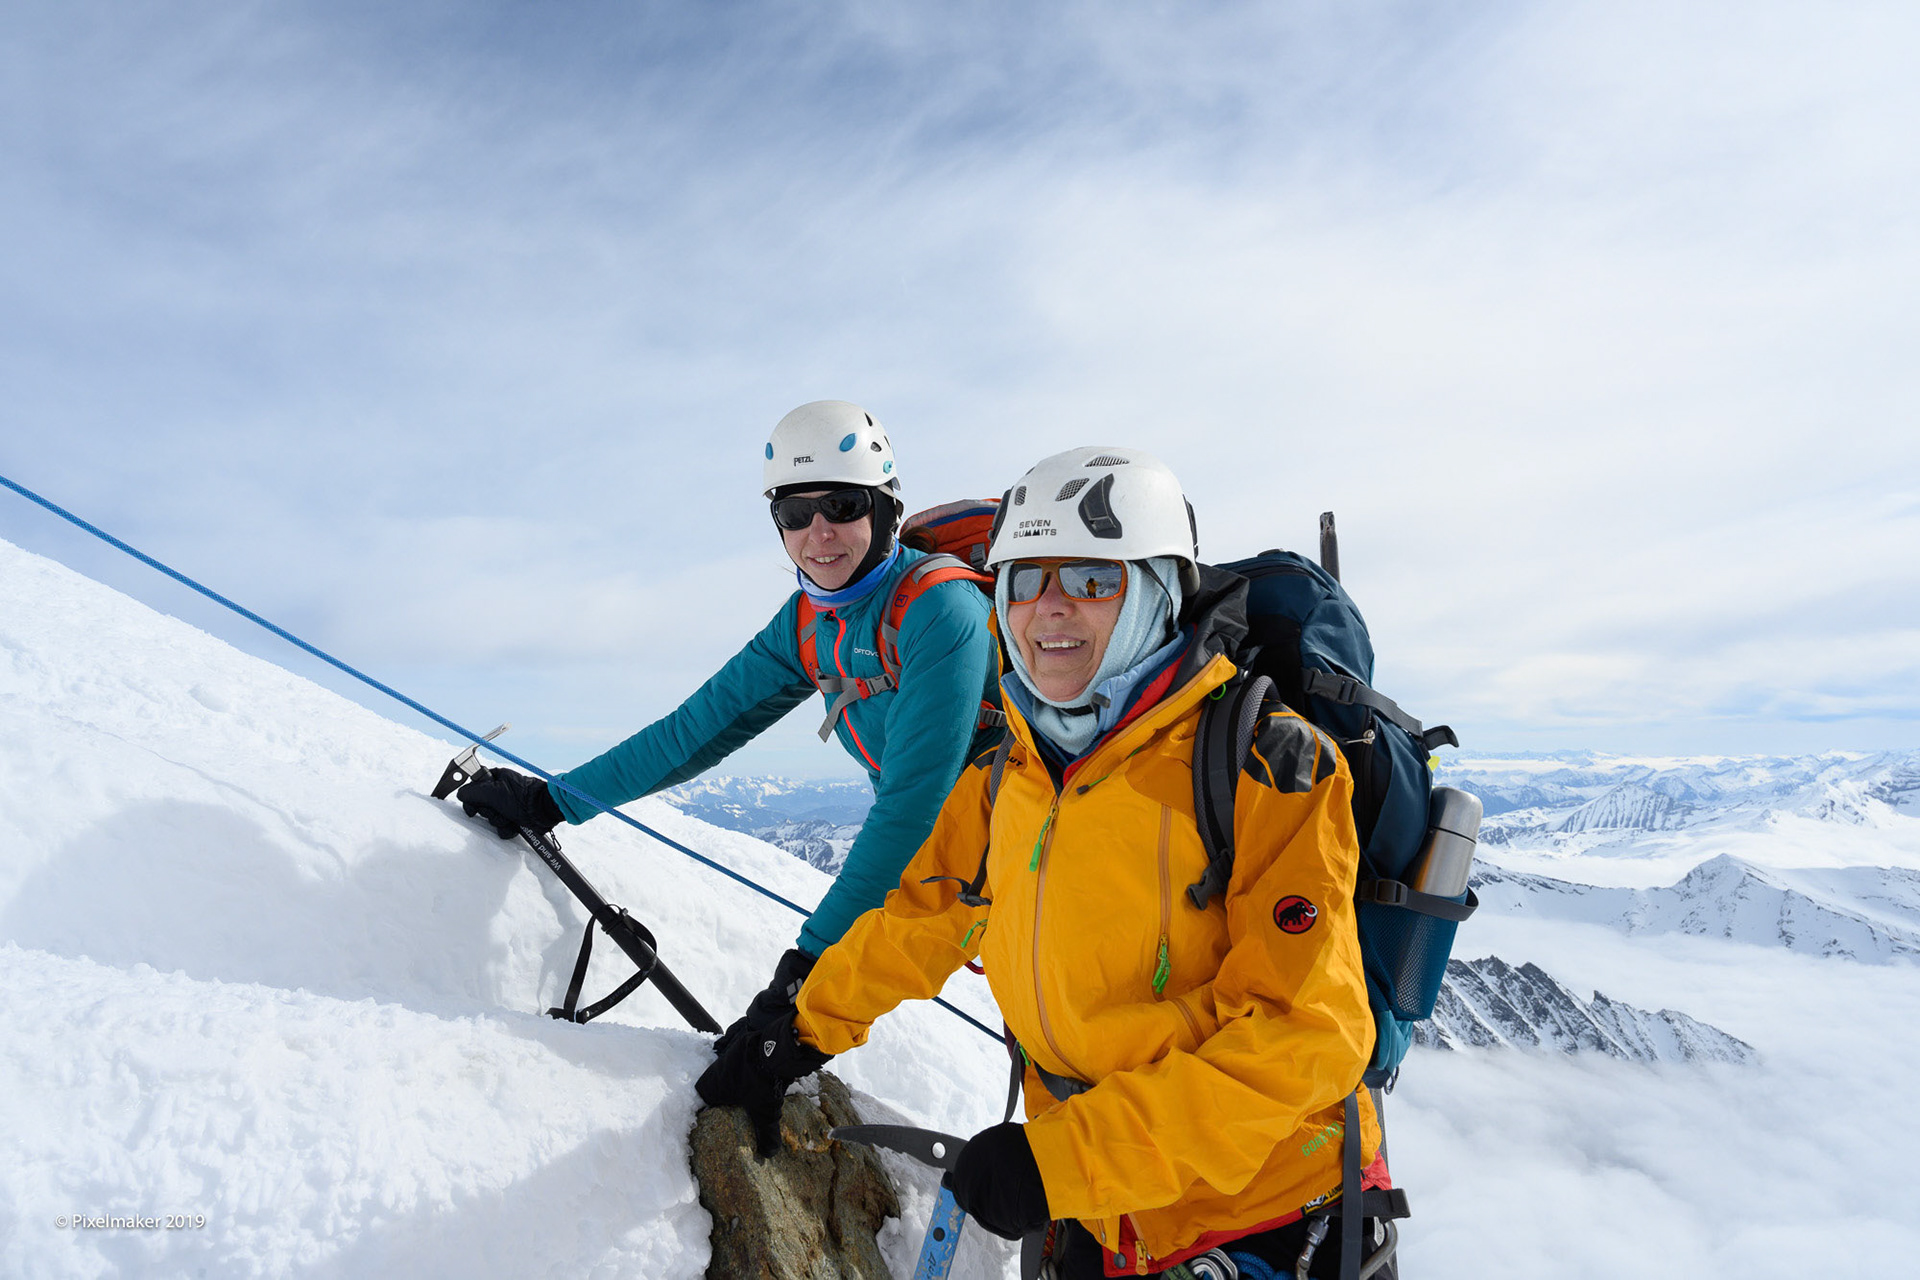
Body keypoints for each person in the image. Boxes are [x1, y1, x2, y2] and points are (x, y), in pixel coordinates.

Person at [695, 446, 1393, 1278]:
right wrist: (801, 1029)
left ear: (1160, 591)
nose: (1047, 611)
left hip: (1262, 1212)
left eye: (1092, 581)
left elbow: (1304, 1034)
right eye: (1023, 582)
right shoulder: (1009, 775)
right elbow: (921, 921)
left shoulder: (1265, 766)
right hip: (1093, 1208)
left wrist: (1062, 1162)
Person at [456, 400, 1000, 1047]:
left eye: (844, 507)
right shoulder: (807, 623)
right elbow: (695, 731)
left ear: (884, 507)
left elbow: (912, 805)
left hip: (1021, 847)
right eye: (797, 513)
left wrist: (803, 971)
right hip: (955, 865)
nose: (819, 532)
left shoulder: (940, 608)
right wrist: (552, 801)